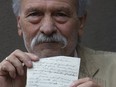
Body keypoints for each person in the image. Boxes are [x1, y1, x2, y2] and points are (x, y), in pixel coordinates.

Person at [0, 0, 116, 87]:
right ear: (19, 24)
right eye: (34, 14)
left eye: (60, 14)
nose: (48, 28)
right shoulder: (4, 77)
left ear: (80, 22)